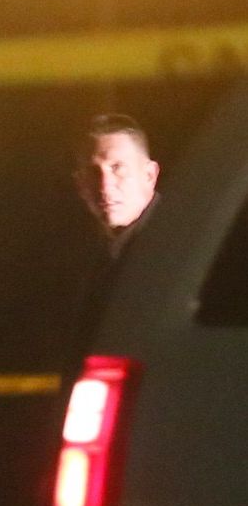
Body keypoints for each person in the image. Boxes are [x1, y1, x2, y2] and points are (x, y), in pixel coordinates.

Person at [67, 114, 161, 367]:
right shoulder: (92, 254)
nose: (105, 186)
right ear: (79, 185)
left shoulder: (175, 249)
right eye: (93, 172)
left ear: (150, 175)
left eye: (118, 169)